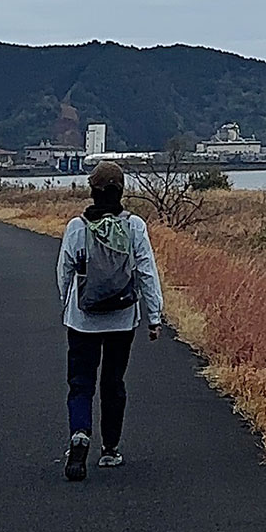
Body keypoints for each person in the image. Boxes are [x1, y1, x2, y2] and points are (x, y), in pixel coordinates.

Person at [56, 160, 164, 481]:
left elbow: (65, 271)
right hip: (122, 319)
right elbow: (146, 272)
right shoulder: (134, 227)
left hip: (83, 319)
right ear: (121, 191)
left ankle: (79, 435)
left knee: (80, 383)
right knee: (113, 383)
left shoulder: (77, 227)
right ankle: (110, 450)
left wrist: (66, 303)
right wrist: (154, 316)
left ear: (92, 190)